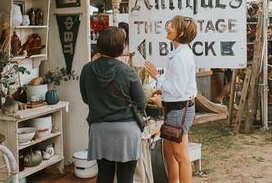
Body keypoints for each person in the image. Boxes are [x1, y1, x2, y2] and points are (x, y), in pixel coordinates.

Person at [80, 27, 147, 183]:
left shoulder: (87, 70)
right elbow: (141, 103)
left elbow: (86, 98)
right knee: (125, 177)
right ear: (120, 47)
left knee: (103, 176)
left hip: (99, 130)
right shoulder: (128, 72)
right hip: (126, 131)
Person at [144, 15, 197, 183]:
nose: (168, 28)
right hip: (176, 108)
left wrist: (156, 78)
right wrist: (161, 86)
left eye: (172, 26)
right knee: (168, 149)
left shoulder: (181, 56)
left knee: (180, 155)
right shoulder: (179, 53)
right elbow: (175, 84)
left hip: (179, 109)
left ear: (180, 33)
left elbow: (177, 89)